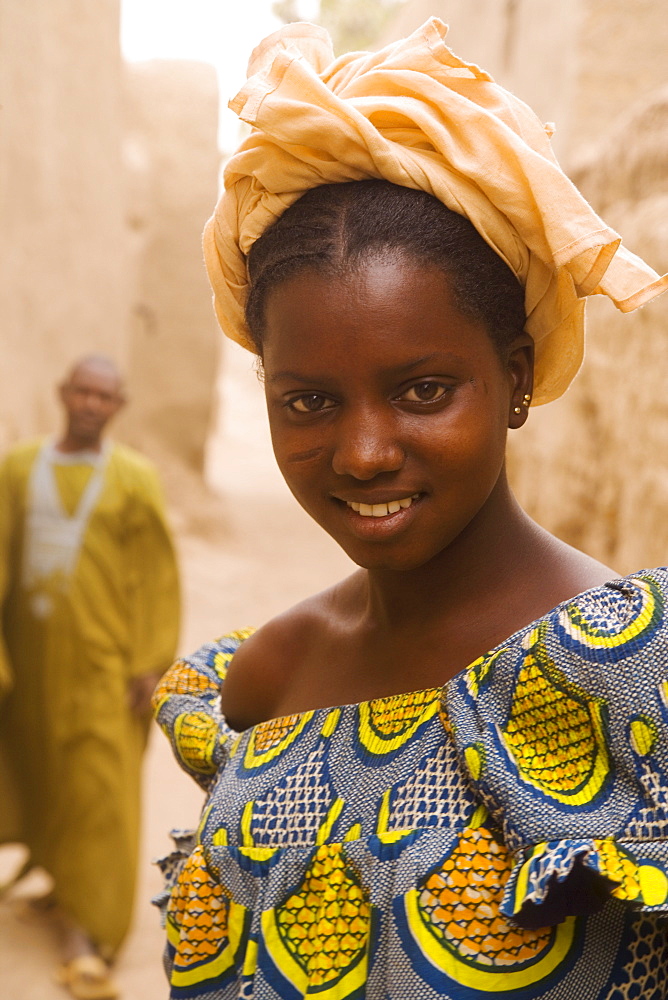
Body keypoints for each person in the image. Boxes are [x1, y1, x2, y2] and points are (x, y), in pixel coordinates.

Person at [152, 19, 668, 1000]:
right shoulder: (268, 680)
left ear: (514, 378)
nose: (362, 451)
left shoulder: (627, 677)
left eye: (423, 389)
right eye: (308, 400)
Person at [0, 355, 180, 1000]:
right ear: (62, 393)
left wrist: (150, 659)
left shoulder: (134, 479)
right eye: (82, 391)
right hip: (30, 662)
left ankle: (88, 935)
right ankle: (56, 884)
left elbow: (157, 577)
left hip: (103, 666)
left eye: (105, 396)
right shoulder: (19, 467)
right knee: (43, 771)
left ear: (119, 406)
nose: (91, 404)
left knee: (98, 792)